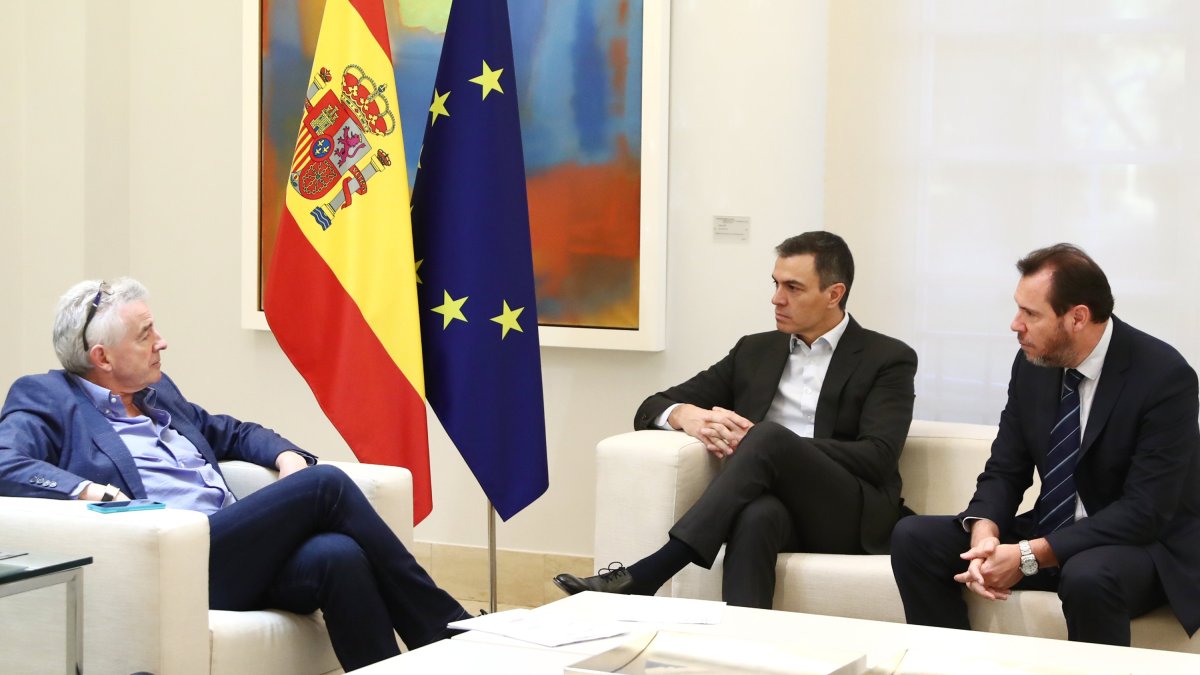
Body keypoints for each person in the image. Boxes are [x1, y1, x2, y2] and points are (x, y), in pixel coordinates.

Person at [0, 278, 471, 671]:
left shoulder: (156, 394)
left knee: (338, 554)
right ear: (101, 358)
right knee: (324, 484)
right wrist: (83, 490)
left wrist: (287, 457)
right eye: (145, 334)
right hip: (177, 562)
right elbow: (5, 461)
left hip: (232, 551)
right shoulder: (48, 398)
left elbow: (235, 432)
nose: (161, 341)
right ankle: (445, 630)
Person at [553, 231, 918, 608]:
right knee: (757, 515)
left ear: (834, 294)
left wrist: (776, 448)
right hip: (777, 508)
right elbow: (651, 406)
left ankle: (652, 572)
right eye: (776, 284)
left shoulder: (887, 358)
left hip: (848, 515)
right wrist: (686, 415)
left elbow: (878, 456)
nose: (777, 298)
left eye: (793, 287)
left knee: (768, 438)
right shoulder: (755, 350)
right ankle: (743, 645)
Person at [890, 243, 1200, 646]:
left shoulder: (1164, 377)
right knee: (914, 538)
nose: (1015, 325)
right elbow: (1005, 467)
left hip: (1140, 547)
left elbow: (1145, 512)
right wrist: (985, 536)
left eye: (1030, 314)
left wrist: (1029, 555)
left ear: (1077, 317)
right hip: (1050, 532)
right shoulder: (1033, 363)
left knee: (1088, 573)